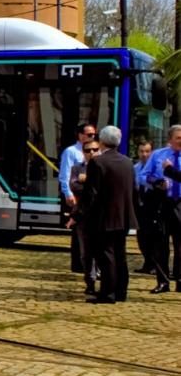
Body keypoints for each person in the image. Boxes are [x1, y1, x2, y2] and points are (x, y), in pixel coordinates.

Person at [78, 125, 136, 304]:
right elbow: (133, 191)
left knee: (106, 255)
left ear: (102, 141)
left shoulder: (98, 162)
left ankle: (108, 292)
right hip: (123, 216)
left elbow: (91, 193)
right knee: (120, 254)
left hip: (104, 217)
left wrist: (79, 213)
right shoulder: (127, 162)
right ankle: (121, 291)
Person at [142, 125, 181, 293]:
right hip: (162, 203)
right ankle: (163, 282)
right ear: (170, 139)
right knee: (160, 244)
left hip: (180, 204)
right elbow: (142, 176)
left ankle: (180, 280)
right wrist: (156, 183)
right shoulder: (158, 155)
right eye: (178, 138)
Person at [60, 123, 96, 273]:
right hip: (77, 195)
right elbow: (65, 174)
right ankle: (78, 263)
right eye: (89, 135)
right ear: (80, 135)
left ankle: (87, 262)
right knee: (78, 230)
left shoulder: (95, 151)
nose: (92, 137)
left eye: (93, 134)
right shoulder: (71, 152)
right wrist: (68, 193)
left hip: (90, 196)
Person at [68, 141, 101, 294]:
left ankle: (101, 275)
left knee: (100, 250)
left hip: (101, 216)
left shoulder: (103, 167)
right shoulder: (77, 168)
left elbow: (102, 188)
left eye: (95, 149)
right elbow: (74, 186)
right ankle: (90, 281)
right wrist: (89, 182)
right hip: (82, 216)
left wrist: (86, 179)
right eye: (88, 150)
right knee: (85, 253)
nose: (92, 152)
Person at [133, 139, 156, 274]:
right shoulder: (135, 168)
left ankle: (153, 264)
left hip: (152, 207)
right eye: (141, 151)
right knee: (141, 238)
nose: (144, 154)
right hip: (139, 207)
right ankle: (147, 263)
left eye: (147, 151)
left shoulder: (156, 168)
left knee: (152, 238)